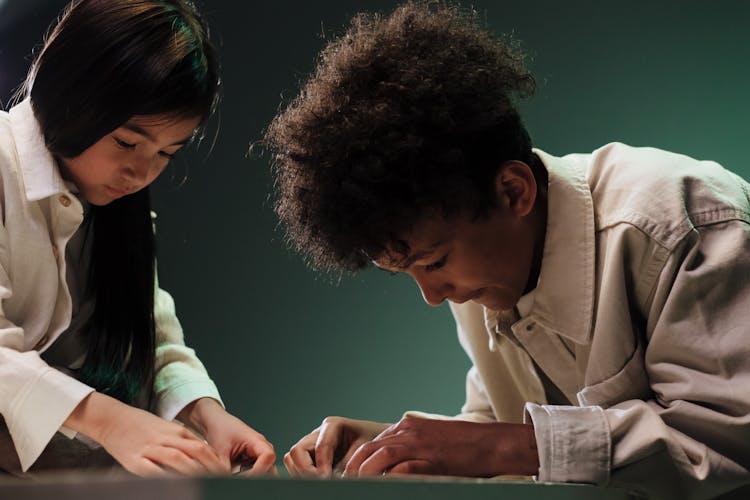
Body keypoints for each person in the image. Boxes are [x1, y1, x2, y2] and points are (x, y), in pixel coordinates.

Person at [264, 2, 750, 498]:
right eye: (406, 271)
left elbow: (725, 440)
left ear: (514, 191)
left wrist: (496, 446)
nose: (433, 295)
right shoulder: (483, 281)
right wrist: (392, 445)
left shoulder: (679, 222)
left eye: (433, 262)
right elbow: (498, 423)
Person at [0, 0, 275, 477]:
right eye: (127, 142)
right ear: (71, 92)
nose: (141, 172)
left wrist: (208, 415)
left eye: (167, 152)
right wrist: (109, 421)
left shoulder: (112, 203)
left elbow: (153, 340)